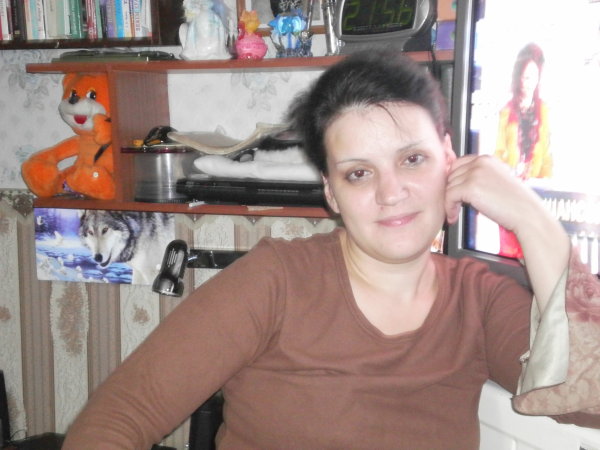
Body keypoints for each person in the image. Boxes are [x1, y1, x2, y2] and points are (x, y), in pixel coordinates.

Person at [63, 50, 598, 449]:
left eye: (412, 160)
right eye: (359, 173)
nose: (391, 192)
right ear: (331, 193)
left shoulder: (480, 301)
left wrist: (534, 221)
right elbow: (119, 418)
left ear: (449, 160)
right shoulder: (276, 281)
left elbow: (586, 399)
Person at [494, 42, 552, 258]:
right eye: (525, 77)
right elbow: (499, 152)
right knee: (509, 255)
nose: (529, 83)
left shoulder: (544, 110)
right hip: (511, 192)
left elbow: (547, 155)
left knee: (537, 254)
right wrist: (509, 173)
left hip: (536, 193)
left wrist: (543, 184)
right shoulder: (506, 112)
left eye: (533, 77)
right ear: (518, 77)